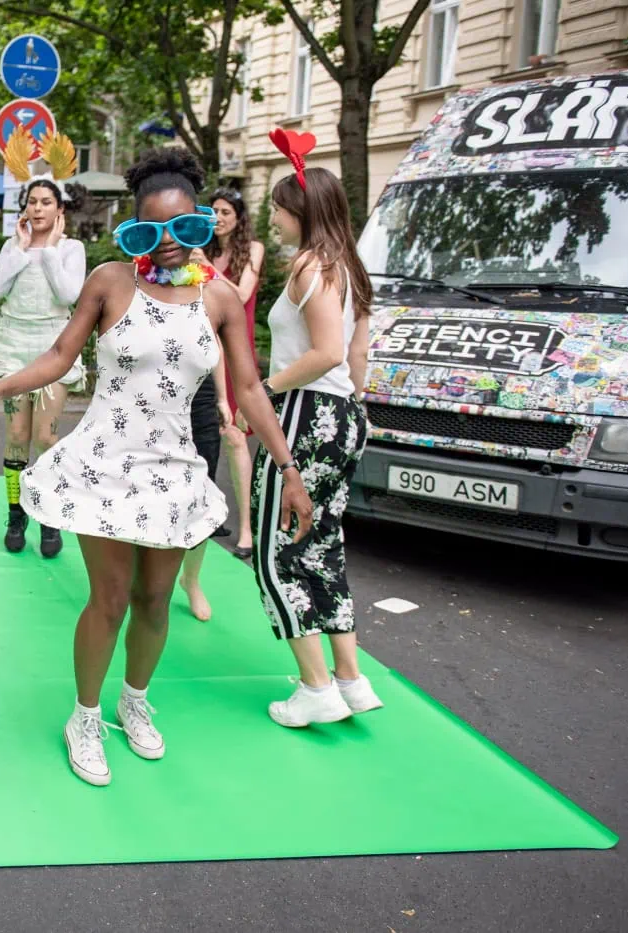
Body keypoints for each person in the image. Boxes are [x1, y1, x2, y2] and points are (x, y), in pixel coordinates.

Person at [0, 149, 314, 787]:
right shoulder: (110, 280)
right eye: (153, 229)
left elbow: (252, 390)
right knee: (111, 598)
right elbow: (60, 356)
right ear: (136, 227)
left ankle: (135, 700)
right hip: (104, 464)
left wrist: (286, 467)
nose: (171, 243)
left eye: (186, 228)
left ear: (203, 222)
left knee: (155, 600)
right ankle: (86, 716)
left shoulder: (221, 298)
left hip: (175, 468)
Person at [256, 131, 379, 728]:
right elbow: (356, 356)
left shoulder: (311, 266)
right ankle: (350, 679)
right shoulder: (348, 267)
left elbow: (327, 352)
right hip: (341, 418)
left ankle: (315, 688)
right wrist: (356, 411)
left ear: (299, 212)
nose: (273, 218)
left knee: (278, 550)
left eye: (278, 207)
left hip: (305, 415)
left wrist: (264, 388)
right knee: (322, 543)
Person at [0, 170, 86, 558]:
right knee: (16, 435)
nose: (38, 208)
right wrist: (22, 250)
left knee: (46, 437)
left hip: (52, 346)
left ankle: (49, 515)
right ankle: (15, 514)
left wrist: (52, 249)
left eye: (46, 202)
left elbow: (68, 294)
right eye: (33, 202)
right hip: (12, 345)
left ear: (60, 210)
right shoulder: (15, 245)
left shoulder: (71, 248)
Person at [175, 187, 267, 621]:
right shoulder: (194, 254)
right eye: (213, 213)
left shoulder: (249, 251)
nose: (220, 219)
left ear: (239, 216)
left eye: (226, 212)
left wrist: (206, 266)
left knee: (233, 444)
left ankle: (245, 528)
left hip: (236, 351)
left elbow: (240, 296)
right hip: (200, 358)